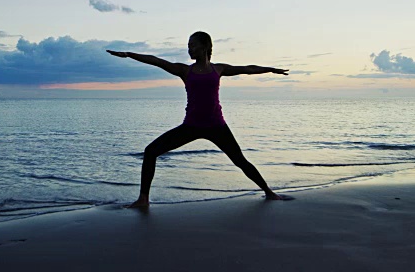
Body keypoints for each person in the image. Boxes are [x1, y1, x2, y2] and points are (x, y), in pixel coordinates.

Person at [106, 31, 290, 208]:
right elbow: (157, 61)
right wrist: (129, 54)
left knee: (240, 160)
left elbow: (247, 69)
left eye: (192, 45)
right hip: (191, 126)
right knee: (150, 152)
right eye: (188, 46)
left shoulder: (218, 69)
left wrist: (270, 70)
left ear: (205, 47)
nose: (189, 49)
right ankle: (143, 199)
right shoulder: (184, 70)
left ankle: (269, 192)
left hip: (217, 126)